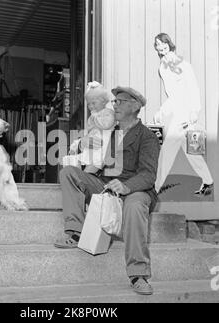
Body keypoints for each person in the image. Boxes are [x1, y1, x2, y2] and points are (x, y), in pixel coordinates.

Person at [55, 86, 160, 296]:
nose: (115, 105)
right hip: (107, 183)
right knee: (68, 173)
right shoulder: (113, 133)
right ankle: (75, 232)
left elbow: (148, 175)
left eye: (120, 101)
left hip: (136, 189)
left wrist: (126, 186)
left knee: (134, 205)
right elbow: (101, 162)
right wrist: (81, 164)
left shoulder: (147, 136)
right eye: (115, 101)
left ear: (135, 106)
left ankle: (138, 274)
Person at [153, 33, 213, 195]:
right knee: (191, 152)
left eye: (163, 42)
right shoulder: (163, 67)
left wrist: (194, 112)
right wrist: (163, 111)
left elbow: (192, 88)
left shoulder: (182, 64)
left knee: (170, 151)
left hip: (186, 115)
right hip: (181, 113)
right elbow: (173, 95)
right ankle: (208, 182)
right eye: (157, 44)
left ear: (169, 44)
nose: (161, 46)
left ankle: (156, 187)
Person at [63, 81, 115, 174]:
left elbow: (105, 124)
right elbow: (89, 129)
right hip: (92, 143)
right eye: (89, 104)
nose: (91, 106)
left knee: (95, 162)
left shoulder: (109, 113)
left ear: (103, 101)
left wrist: (95, 116)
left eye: (94, 103)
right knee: (83, 160)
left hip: (102, 144)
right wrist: (83, 141)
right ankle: (79, 178)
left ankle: (84, 179)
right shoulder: (92, 116)